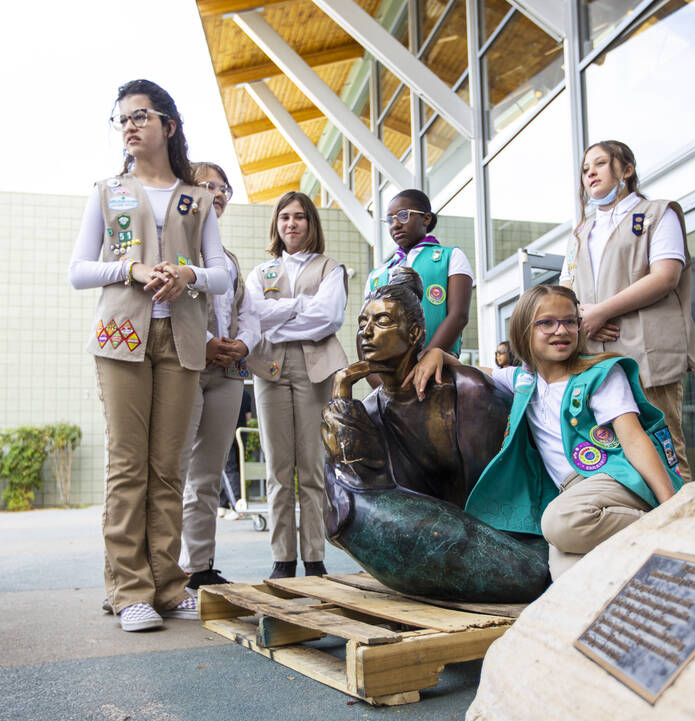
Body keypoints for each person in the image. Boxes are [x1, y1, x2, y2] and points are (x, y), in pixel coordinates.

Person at [69, 79, 230, 632]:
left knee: (169, 467)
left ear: (169, 125)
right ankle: (128, 589)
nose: (130, 125)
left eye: (140, 115)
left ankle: (167, 584)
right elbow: (78, 271)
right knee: (127, 464)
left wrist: (188, 275)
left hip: (182, 341)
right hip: (121, 338)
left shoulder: (196, 197)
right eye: (122, 119)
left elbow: (224, 274)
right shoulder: (106, 191)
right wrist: (131, 268)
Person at [413, 284, 684, 579]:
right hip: (574, 495)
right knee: (563, 574)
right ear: (524, 330)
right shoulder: (523, 380)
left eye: (570, 321)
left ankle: (669, 528)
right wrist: (437, 353)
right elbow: (474, 372)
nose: (561, 330)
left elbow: (634, 439)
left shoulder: (598, 375)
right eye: (547, 323)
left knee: (558, 521)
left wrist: (671, 506)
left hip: (616, 479)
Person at [321, 269, 548, 602]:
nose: (366, 334)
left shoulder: (468, 393)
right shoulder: (369, 411)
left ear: (414, 333)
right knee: (350, 497)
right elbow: (358, 489)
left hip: (509, 540)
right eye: (361, 323)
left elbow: (507, 495)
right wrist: (341, 393)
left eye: (382, 322)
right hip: (434, 541)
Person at [561, 140, 695, 480]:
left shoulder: (658, 213)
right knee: (614, 456)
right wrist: (582, 316)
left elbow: (665, 276)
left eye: (599, 164)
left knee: (665, 449)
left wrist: (602, 311)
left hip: (647, 353)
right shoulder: (581, 232)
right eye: (584, 169)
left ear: (626, 169)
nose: (590, 173)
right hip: (597, 357)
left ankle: (679, 526)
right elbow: (565, 291)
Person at [245, 192, 348, 579]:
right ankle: (283, 558)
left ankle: (315, 559)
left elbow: (327, 318)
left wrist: (278, 315)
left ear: (311, 224)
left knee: (312, 469)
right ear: (276, 224)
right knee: (278, 467)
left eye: (300, 217)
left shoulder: (329, 268)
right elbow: (254, 316)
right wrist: (299, 305)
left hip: (314, 371)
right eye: (285, 217)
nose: (292, 224)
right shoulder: (261, 272)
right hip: (269, 370)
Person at [177, 162, 259, 589]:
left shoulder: (228, 258)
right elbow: (172, 305)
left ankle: (201, 566)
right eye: (206, 185)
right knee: (173, 472)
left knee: (208, 474)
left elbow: (246, 311)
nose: (217, 193)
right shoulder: (173, 243)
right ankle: (158, 570)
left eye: (222, 187)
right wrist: (206, 339)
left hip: (228, 374)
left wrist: (242, 343)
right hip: (185, 367)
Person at [363, 189, 472, 357]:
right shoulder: (377, 275)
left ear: (426, 218)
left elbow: (458, 316)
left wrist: (427, 357)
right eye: (390, 220)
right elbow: (365, 327)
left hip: (439, 364)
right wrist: (377, 379)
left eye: (403, 215)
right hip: (391, 374)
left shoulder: (450, 257)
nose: (396, 224)